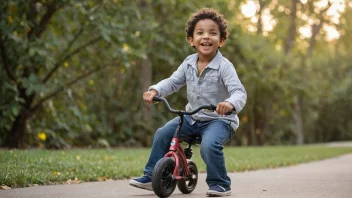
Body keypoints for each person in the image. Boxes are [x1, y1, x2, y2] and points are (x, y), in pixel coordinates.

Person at [129, 7, 247, 197]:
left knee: (209, 145)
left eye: (213, 33)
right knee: (162, 134)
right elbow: (173, 82)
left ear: (221, 41)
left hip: (220, 120)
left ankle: (220, 184)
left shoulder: (225, 67)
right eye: (200, 33)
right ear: (191, 40)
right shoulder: (188, 63)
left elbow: (239, 92)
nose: (206, 37)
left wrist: (230, 104)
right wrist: (155, 90)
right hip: (192, 118)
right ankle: (151, 176)